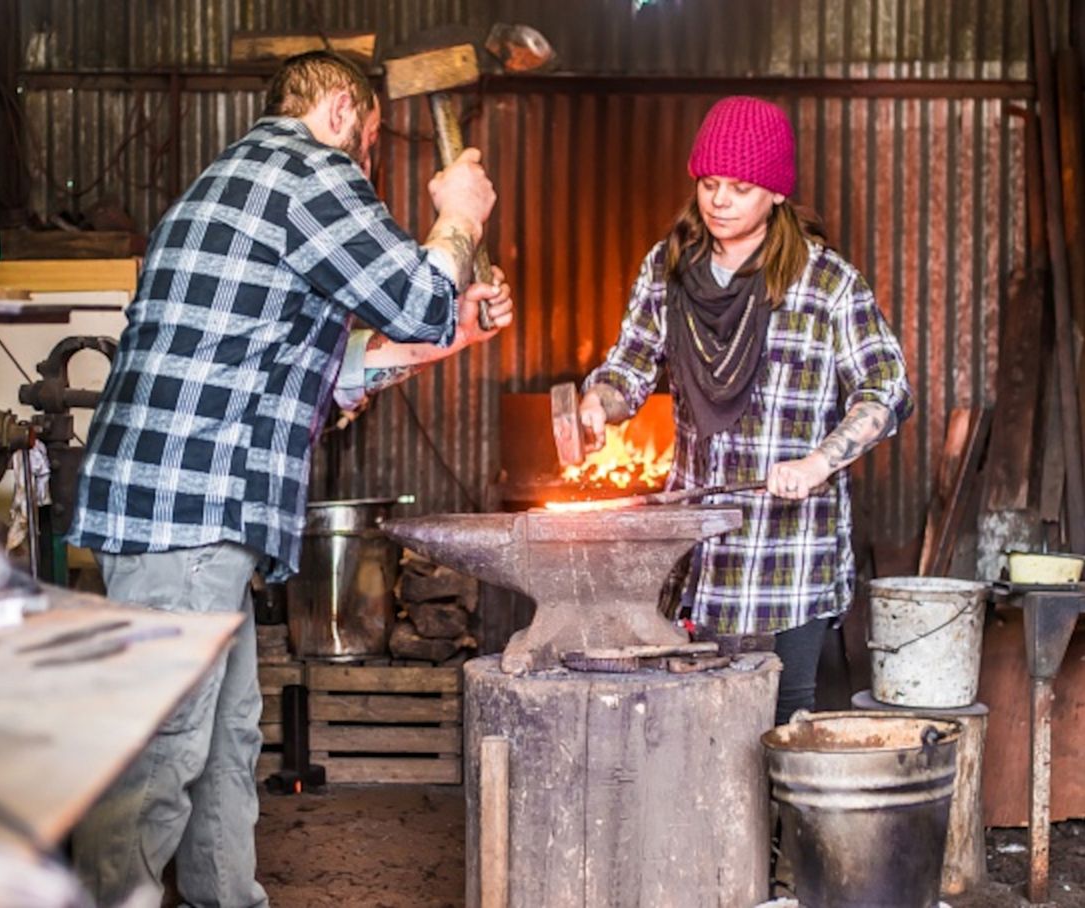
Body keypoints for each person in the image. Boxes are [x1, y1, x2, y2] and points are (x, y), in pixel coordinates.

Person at [66, 51, 513, 907]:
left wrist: (456, 334)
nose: (369, 165)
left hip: (188, 510)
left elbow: (328, 368)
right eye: (374, 141)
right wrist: (456, 217)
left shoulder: (234, 182)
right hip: (188, 512)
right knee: (164, 747)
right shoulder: (307, 171)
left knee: (224, 736)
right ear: (344, 109)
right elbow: (414, 295)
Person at [578, 95, 912, 727]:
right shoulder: (668, 268)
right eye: (708, 184)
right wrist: (600, 404)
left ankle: (779, 831)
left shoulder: (827, 284)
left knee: (786, 715)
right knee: (693, 714)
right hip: (701, 549)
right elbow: (630, 368)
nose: (719, 201)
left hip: (792, 553)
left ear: (777, 193)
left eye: (739, 187)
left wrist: (819, 461)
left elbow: (887, 389)